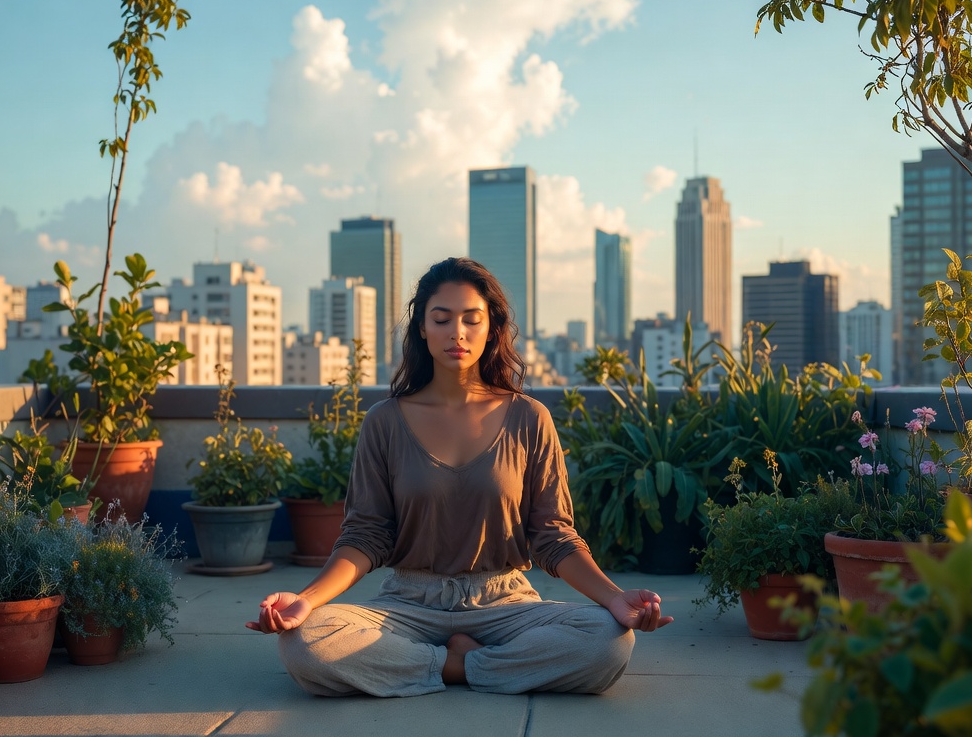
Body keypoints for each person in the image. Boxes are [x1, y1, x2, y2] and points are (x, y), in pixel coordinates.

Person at [248, 257, 673, 697]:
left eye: (472, 319)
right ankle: (464, 664)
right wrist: (307, 600)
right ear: (421, 329)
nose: (457, 332)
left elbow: (553, 536)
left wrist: (613, 598)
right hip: (408, 603)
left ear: (492, 328)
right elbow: (366, 536)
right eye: (442, 318)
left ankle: (445, 665)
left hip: (505, 602)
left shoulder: (529, 417)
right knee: (303, 642)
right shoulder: (384, 421)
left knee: (608, 641)